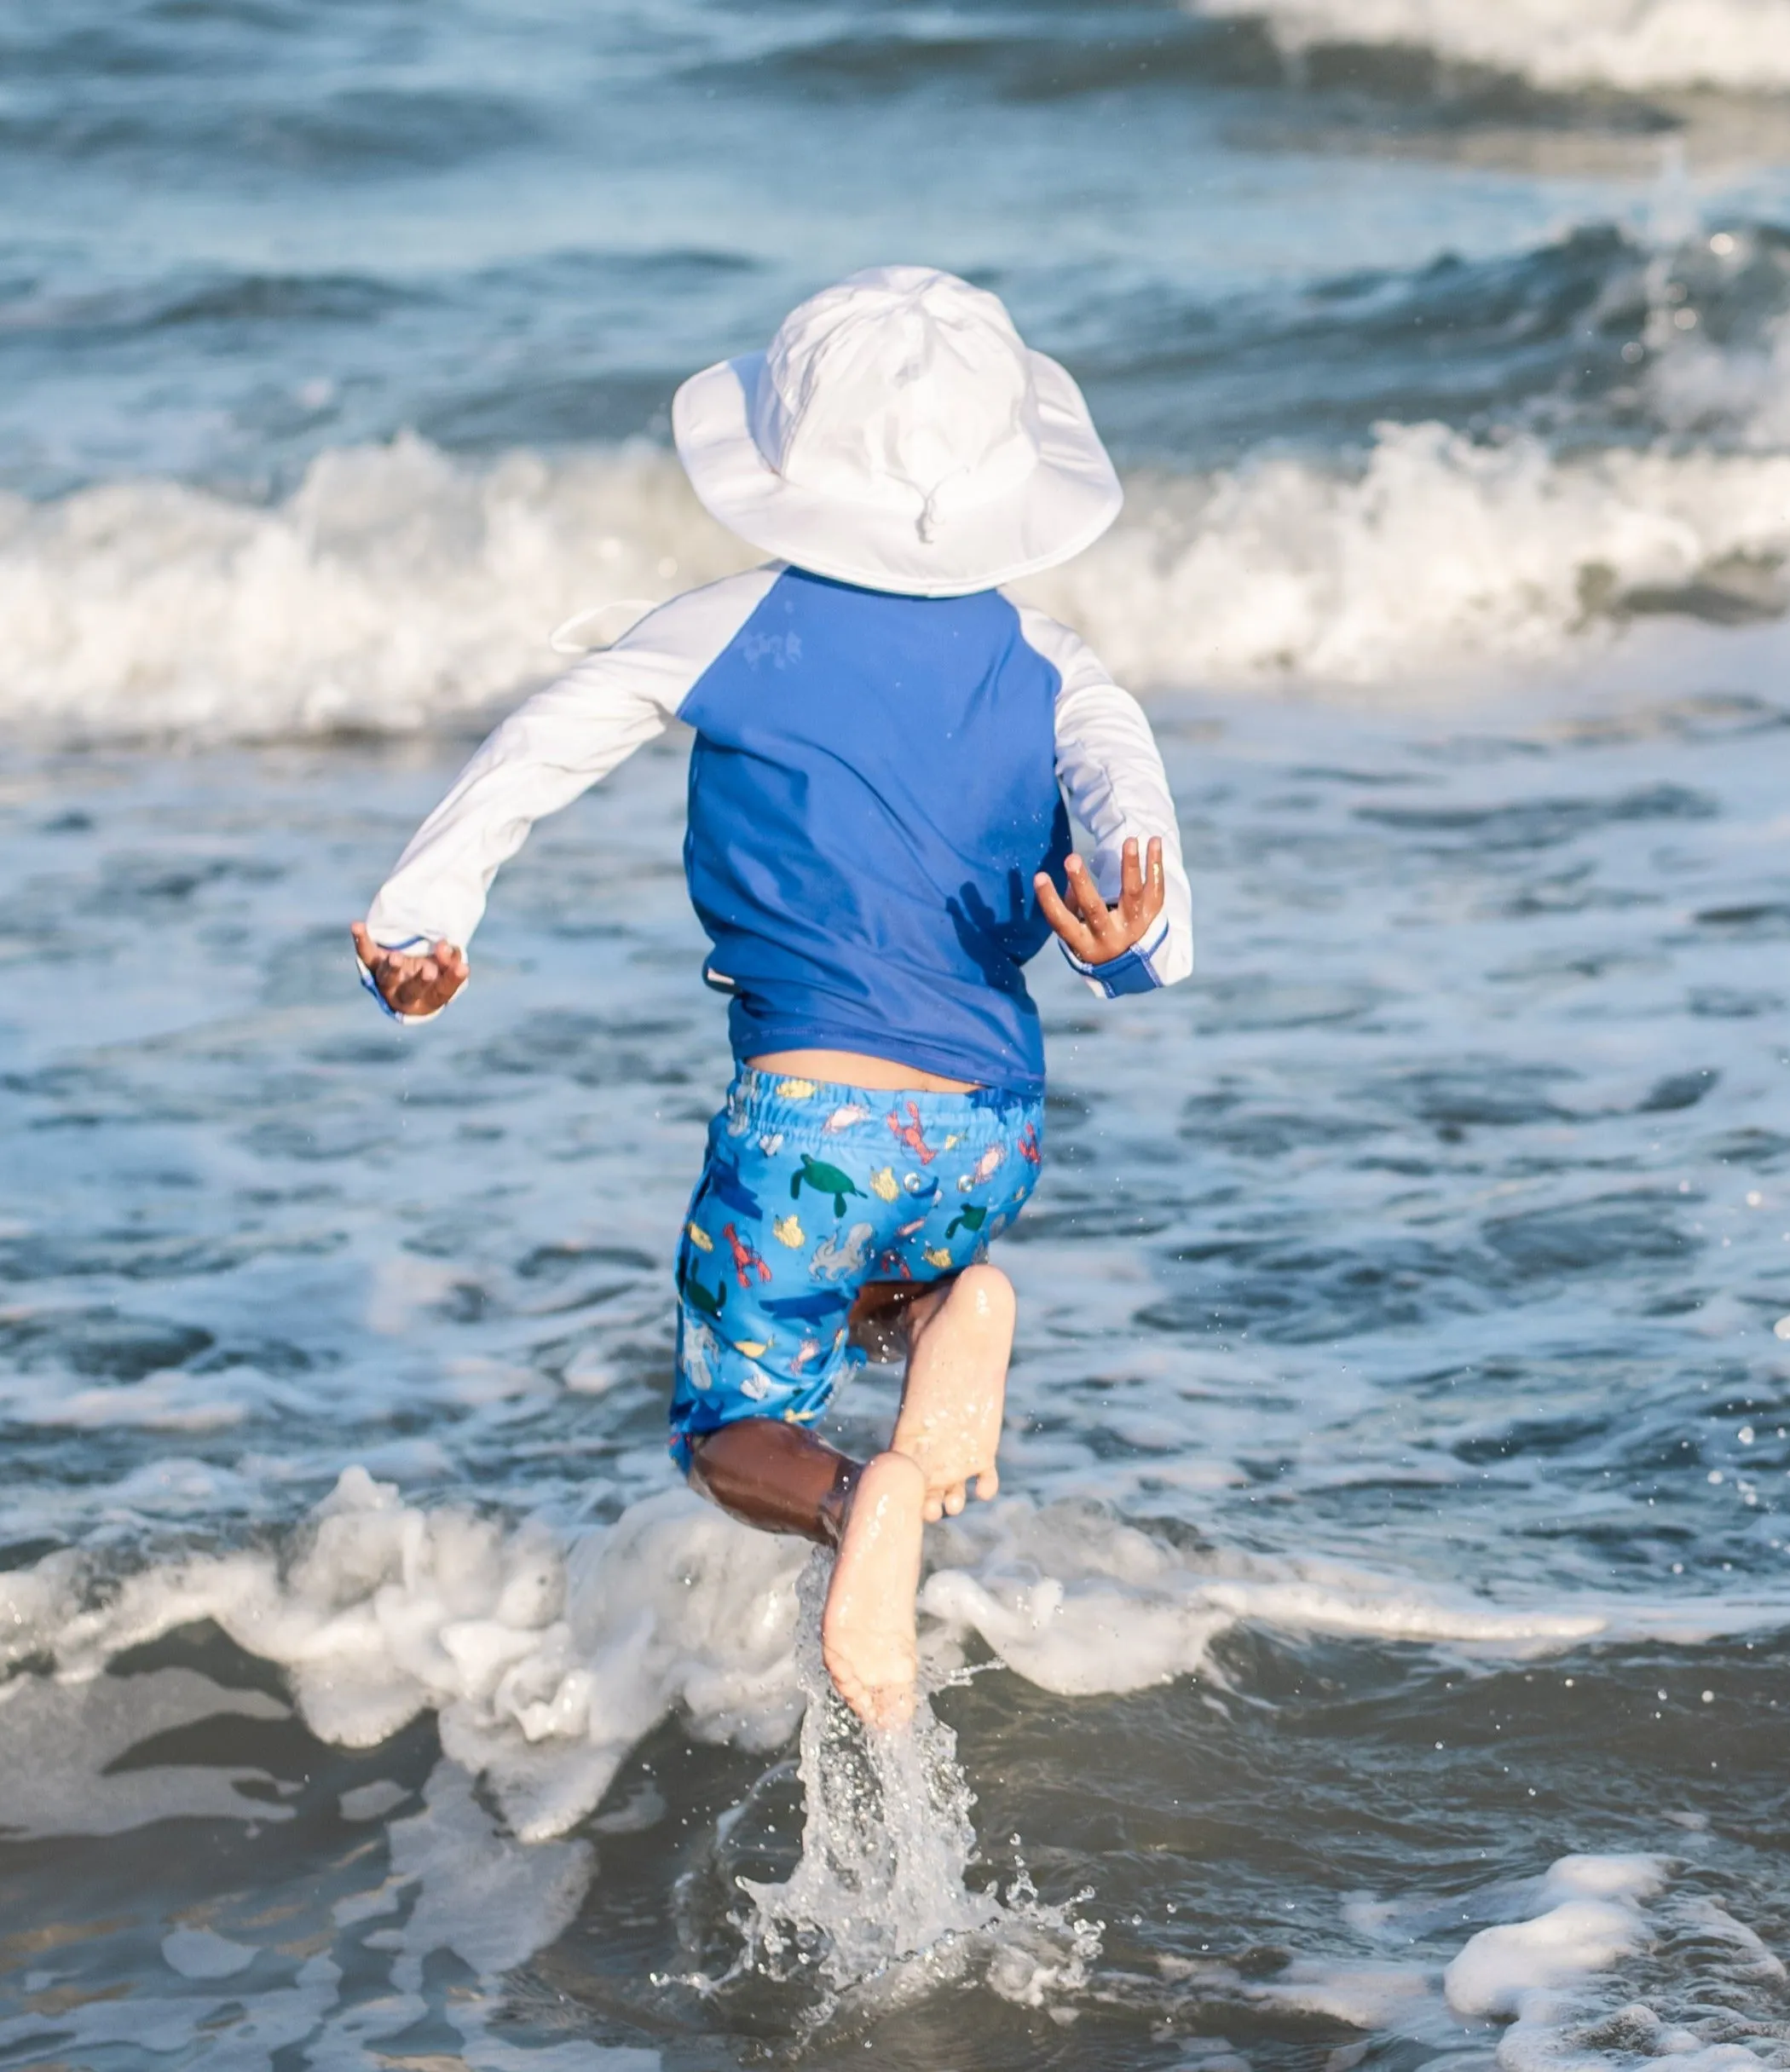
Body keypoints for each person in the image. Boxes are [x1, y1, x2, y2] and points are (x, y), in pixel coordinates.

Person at [351, 267, 1191, 1732]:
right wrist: (1124, 942)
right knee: (868, 1279)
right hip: (995, 1125)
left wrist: (425, 923)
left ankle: (855, 1500)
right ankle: (949, 1295)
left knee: (730, 1427)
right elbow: (1143, 869)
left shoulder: (738, 627)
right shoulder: (1054, 664)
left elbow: (536, 751)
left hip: (811, 1110)